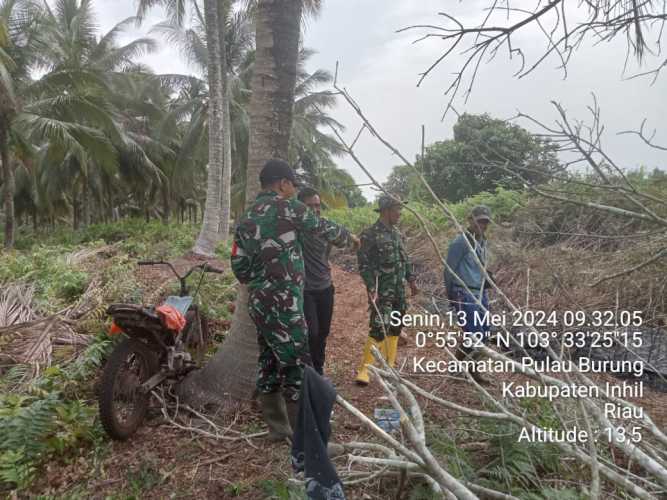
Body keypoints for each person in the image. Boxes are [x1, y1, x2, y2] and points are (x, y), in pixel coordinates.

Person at [230, 159, 359, 440]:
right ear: (283, 183)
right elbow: (322, 227)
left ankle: (277, 428)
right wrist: (350, 239)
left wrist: (262, 280)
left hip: (259, 303)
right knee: (299, 368)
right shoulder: (290, 208)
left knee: (267, 361)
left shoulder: (246, 218)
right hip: (286, 304)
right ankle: (311, 443)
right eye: (292, 185)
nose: (292, 189)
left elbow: (239, 267)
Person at [355, 195, 418, 385]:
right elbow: (364, 265)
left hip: (398, 290)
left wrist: (411, 281)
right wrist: (371, 287)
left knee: (396, 326)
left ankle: (389, 367)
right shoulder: (369, 235)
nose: (400, 213)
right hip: (381, 291)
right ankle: (364, 370)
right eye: (397, 209)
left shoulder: (397, 234)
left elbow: (404, 259)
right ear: (386, 210)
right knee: (378, 327)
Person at [444, 204, 492, 384]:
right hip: (463, 292)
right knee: (474, 334)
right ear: (470, 220)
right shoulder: (460, 242)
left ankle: (471, 370)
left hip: (480, 292)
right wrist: (451, 297)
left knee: (484, 333)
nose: (483, 225)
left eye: (486, 222)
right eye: (480, 221)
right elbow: (449, 270)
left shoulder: (482, 241)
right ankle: (458, 369)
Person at [298, 187, 336, 376]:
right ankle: (308, 369)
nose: (315, 209)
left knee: (323, 332)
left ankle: (318, 369)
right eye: (310, 206)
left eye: (318, 205)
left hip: (326, 287)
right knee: (311, 333)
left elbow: (326, 254)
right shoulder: (298, 230)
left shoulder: (326, 227)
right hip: (306, 290)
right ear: (301, 207)